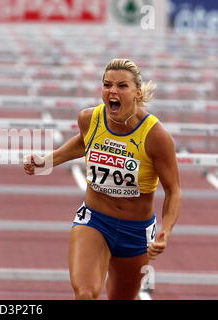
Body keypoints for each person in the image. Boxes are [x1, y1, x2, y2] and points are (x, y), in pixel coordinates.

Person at [24, 58, 181, 300]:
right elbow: (83, 141)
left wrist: (166, 231)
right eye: (107, 85)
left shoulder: (156, 136)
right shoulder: (90, 119)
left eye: (122, 86)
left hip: (135, 231)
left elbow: (173, 191)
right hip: (95, 221)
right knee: (85, 294)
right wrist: (46, 161)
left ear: (137, 92)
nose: (112, 91)